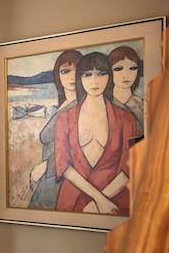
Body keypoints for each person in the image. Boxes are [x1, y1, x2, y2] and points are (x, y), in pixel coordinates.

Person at [54, 52, 138, 215]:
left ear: (109, 77)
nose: (94, 81)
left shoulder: (128, 118)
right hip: (73, 199)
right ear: (80, 78)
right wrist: (99, 199)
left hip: (116, 199)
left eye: (101, 74)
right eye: (87, 75)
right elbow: (62, 165)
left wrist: (101, 201)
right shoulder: (64, 118)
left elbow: (131, 166)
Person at [29, 50, 81, 209]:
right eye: (65, 71)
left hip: (65, 177)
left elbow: (77, 146)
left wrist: (46, 165)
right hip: (49, 178)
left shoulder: (82, 107)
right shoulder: (64, 105)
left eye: (77, 70)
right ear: (57, 76)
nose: (72, 76)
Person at [108, 45, 144, 136]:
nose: (126, 74)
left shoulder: (143, 106)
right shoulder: (103, 104)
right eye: (118, 69)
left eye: (133, 68)